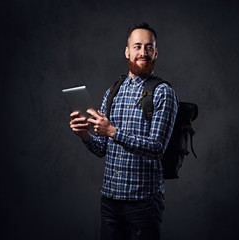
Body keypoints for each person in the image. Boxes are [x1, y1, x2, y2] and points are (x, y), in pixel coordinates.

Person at [69, 22, 178, 240]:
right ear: (127, 51)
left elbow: (156, 148)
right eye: (137, 46)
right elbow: (102, 149)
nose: (143, 52)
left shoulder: (163, 93)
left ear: (156, 53)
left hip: (143, 202)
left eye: (149, 47)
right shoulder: (113, 92)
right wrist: (85, 135)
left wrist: (113, 132)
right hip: (110, 200)